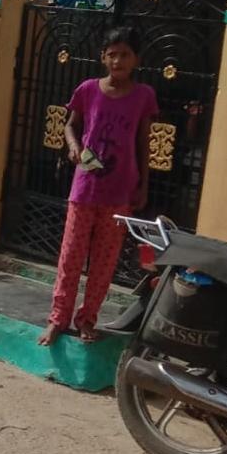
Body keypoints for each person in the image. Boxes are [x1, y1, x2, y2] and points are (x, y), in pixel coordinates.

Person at [40, 26, 159, 346]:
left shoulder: (143, 96)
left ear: (136, 59)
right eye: (112, 54)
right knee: (71, 258)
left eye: (125, 55)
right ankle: (58, 319)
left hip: (121, 192)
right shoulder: (88, 90)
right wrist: (72, 146)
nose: (118, 61)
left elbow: (143, 143)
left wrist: (143, 185)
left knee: (104, 263)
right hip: (85, 188)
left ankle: (87, 319)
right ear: (103, 57)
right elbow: (70, 125)